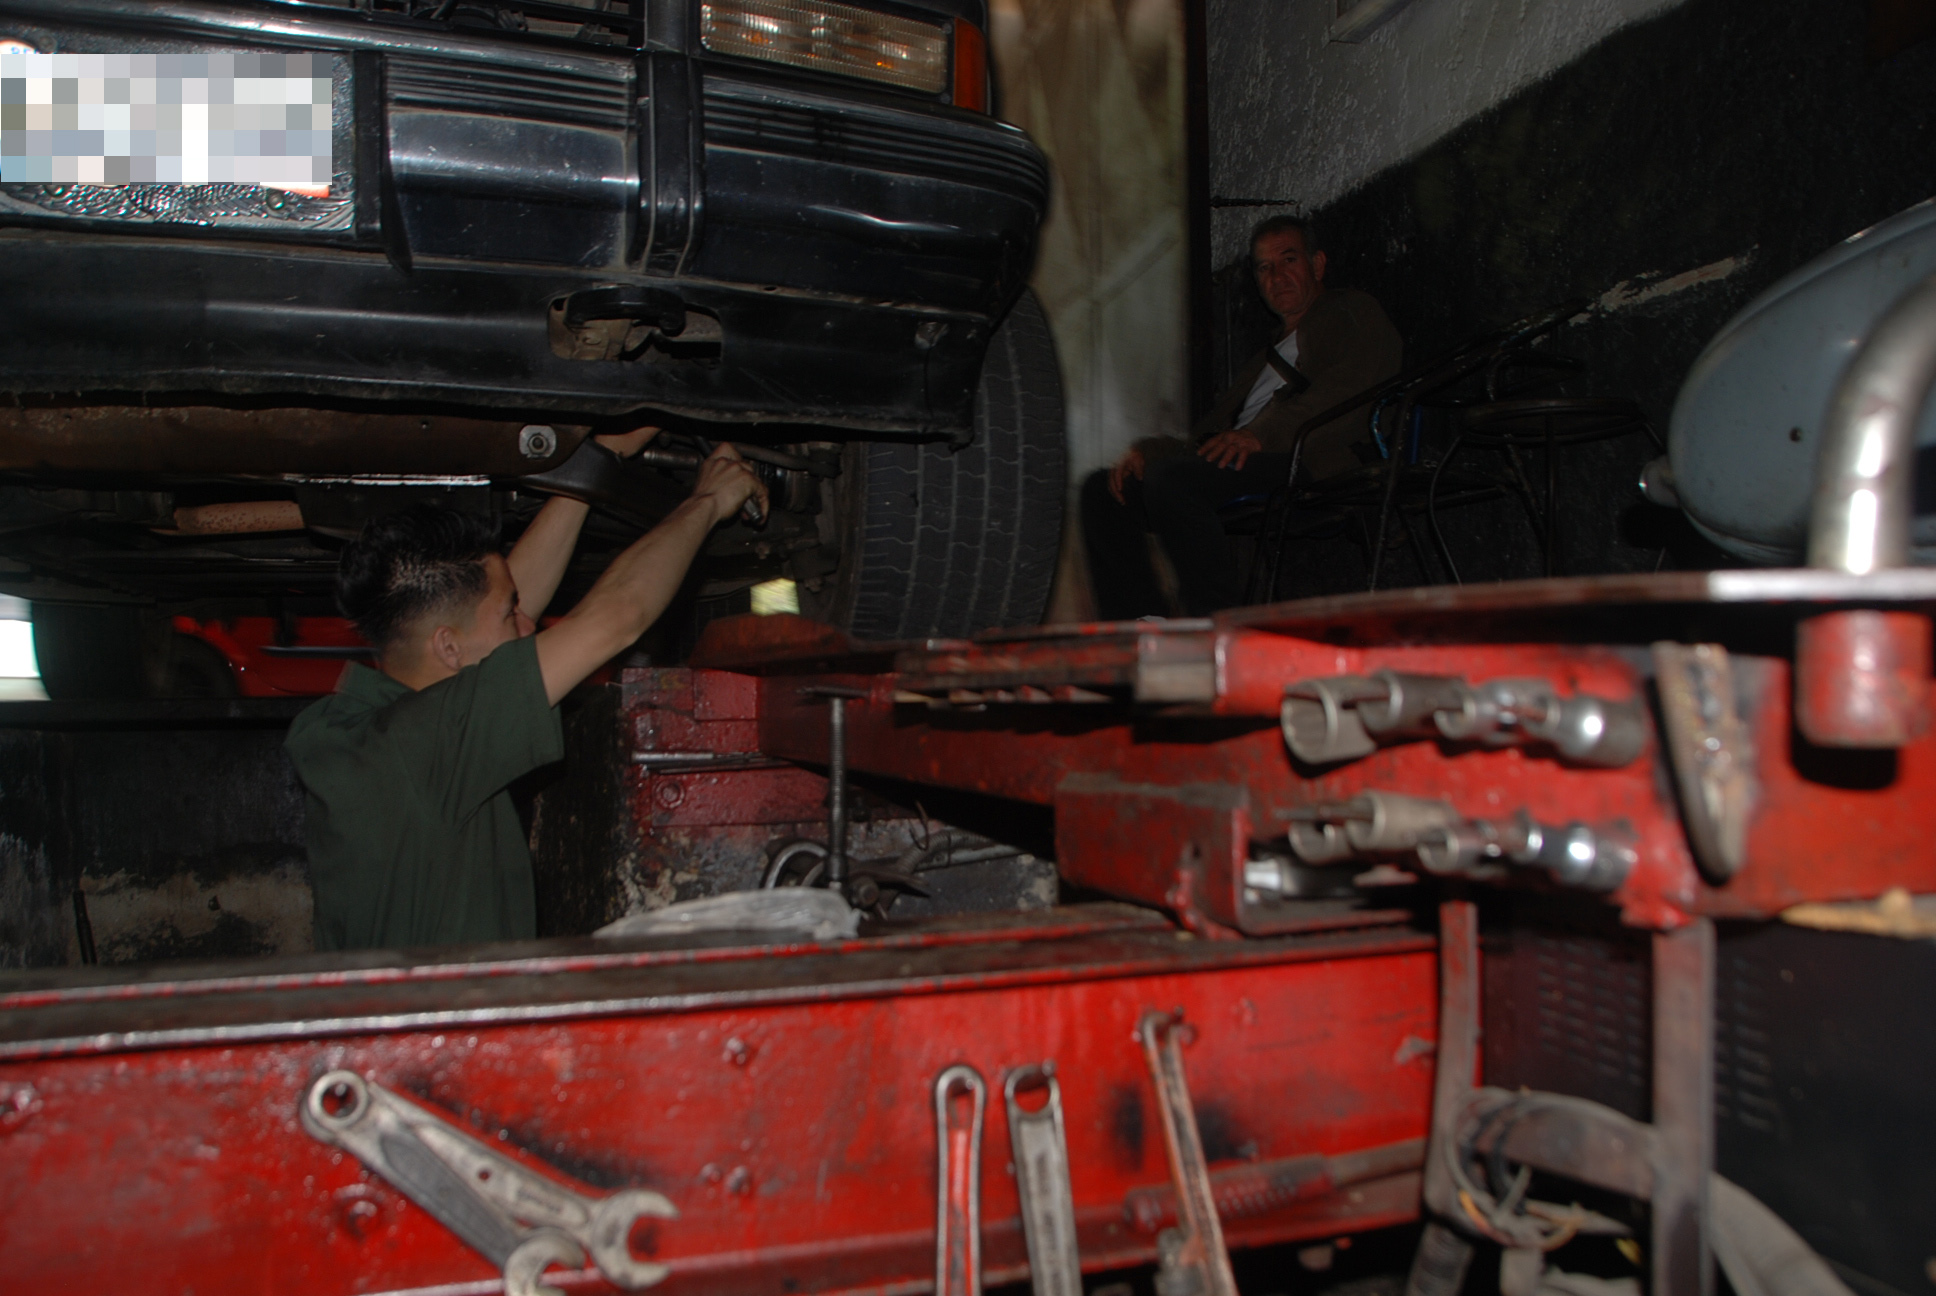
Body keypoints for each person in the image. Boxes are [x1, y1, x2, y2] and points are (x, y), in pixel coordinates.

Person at [284, 430, 767, 952]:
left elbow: (506, 615)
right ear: (446, 647)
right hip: (455, 1032)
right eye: (508, 614)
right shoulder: (426, 746)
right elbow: (618, 618)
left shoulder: (361, 727)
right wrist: (708, 500)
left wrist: (592, 466)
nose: (526, 624)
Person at [1082, 216, 1402, 618]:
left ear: (1317, 264)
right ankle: (1142, 623)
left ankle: (1213, 623)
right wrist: (1151, 451)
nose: (1277, 276)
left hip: (1310, 457)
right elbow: (1211, 432)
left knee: (1175, 481)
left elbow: (1353, 384)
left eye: (1289, 260)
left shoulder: (1351, 311)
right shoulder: (1261, 361)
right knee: (1106, 488)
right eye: (1264, 267)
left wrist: (1261, 435)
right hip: (1249, 455)